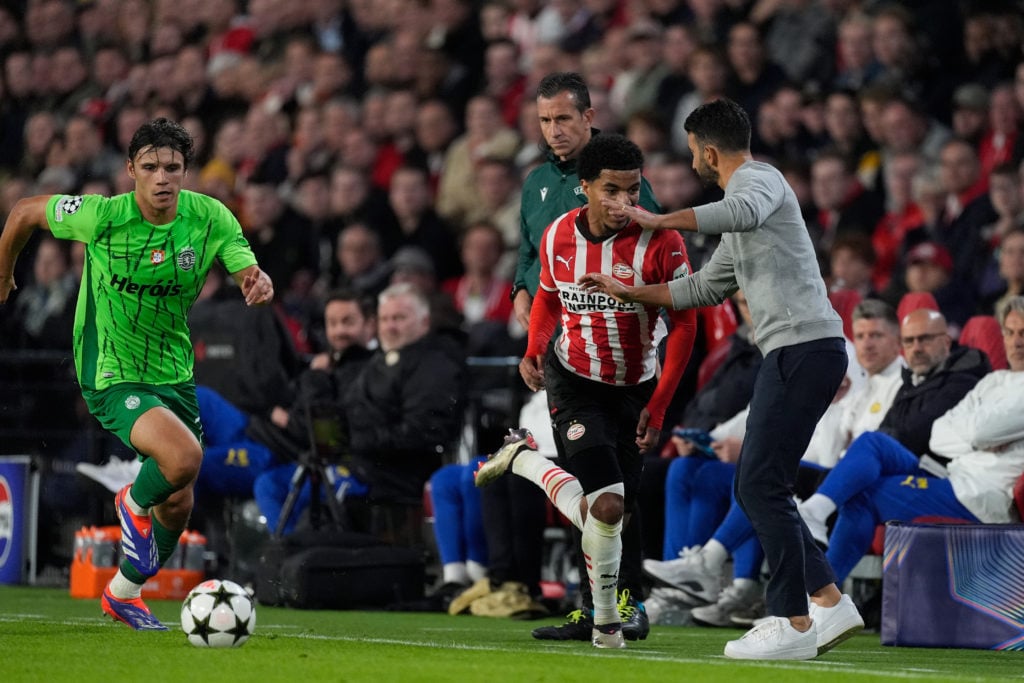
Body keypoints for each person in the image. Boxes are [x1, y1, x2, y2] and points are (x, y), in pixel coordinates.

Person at [578, 98, 861, 660]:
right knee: (757, 483)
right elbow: (705, 288)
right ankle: (828, 601)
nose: (694, 162)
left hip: (804, 347)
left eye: (692, 153)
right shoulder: (744, 207)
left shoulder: (760, 181)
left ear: (708, 152)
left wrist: (661, 220)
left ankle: (793, 619)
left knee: (760, 484)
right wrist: (630, 292)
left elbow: (741, 212)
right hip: (796, 350)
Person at [0, 118, 273, 631]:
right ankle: (131, 499)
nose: (162, 178)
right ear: (131, 170)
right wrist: (3, 273)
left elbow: (246, 267)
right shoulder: (101, 215)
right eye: (150, 167)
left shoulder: (210, 217)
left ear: (186, 171)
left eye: (172, 167)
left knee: (180, 500)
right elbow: (22, 212)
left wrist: (257, 282)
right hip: (109, 368)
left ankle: (123, 593)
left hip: (172, 371)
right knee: (184, 456)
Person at [475, 134, 697, 649]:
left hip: (636, 385)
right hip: (573, 379)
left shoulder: (662, 243)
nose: (625, 204)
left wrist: (659, 405)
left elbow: (685, 326)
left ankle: (528, 463)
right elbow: (549, 300)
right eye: (612, 191)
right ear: (586, 189)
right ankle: (609, 620)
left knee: (617, 502)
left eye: (633, 191)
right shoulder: (557, 237)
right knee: (608, 502)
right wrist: (533, 347)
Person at [511, 70, 661, 644]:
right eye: (545, 121)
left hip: (625, 349)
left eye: (564, 119)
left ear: (589, 117)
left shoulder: (616, 178)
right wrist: (521, 293)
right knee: (596, 478)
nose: (554, 131)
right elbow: (528, 254)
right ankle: (595, 603)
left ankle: (629, 601)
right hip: (562, 346)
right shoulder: (534, 185)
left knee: (616, 484)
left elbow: (648, 247)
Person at [799, 296, 1024, 583]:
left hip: (982, 498)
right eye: (1010, 332)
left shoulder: (971, 379)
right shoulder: (994, 380)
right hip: (953, 477)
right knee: (872, 441)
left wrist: (973, 432)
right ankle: (816, 521)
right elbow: (939, 435)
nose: (1016, 341)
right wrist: (980, 437)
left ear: (945, 341)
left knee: (863, 493)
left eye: (1023, 333)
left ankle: (819, 600)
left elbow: (976, 431)